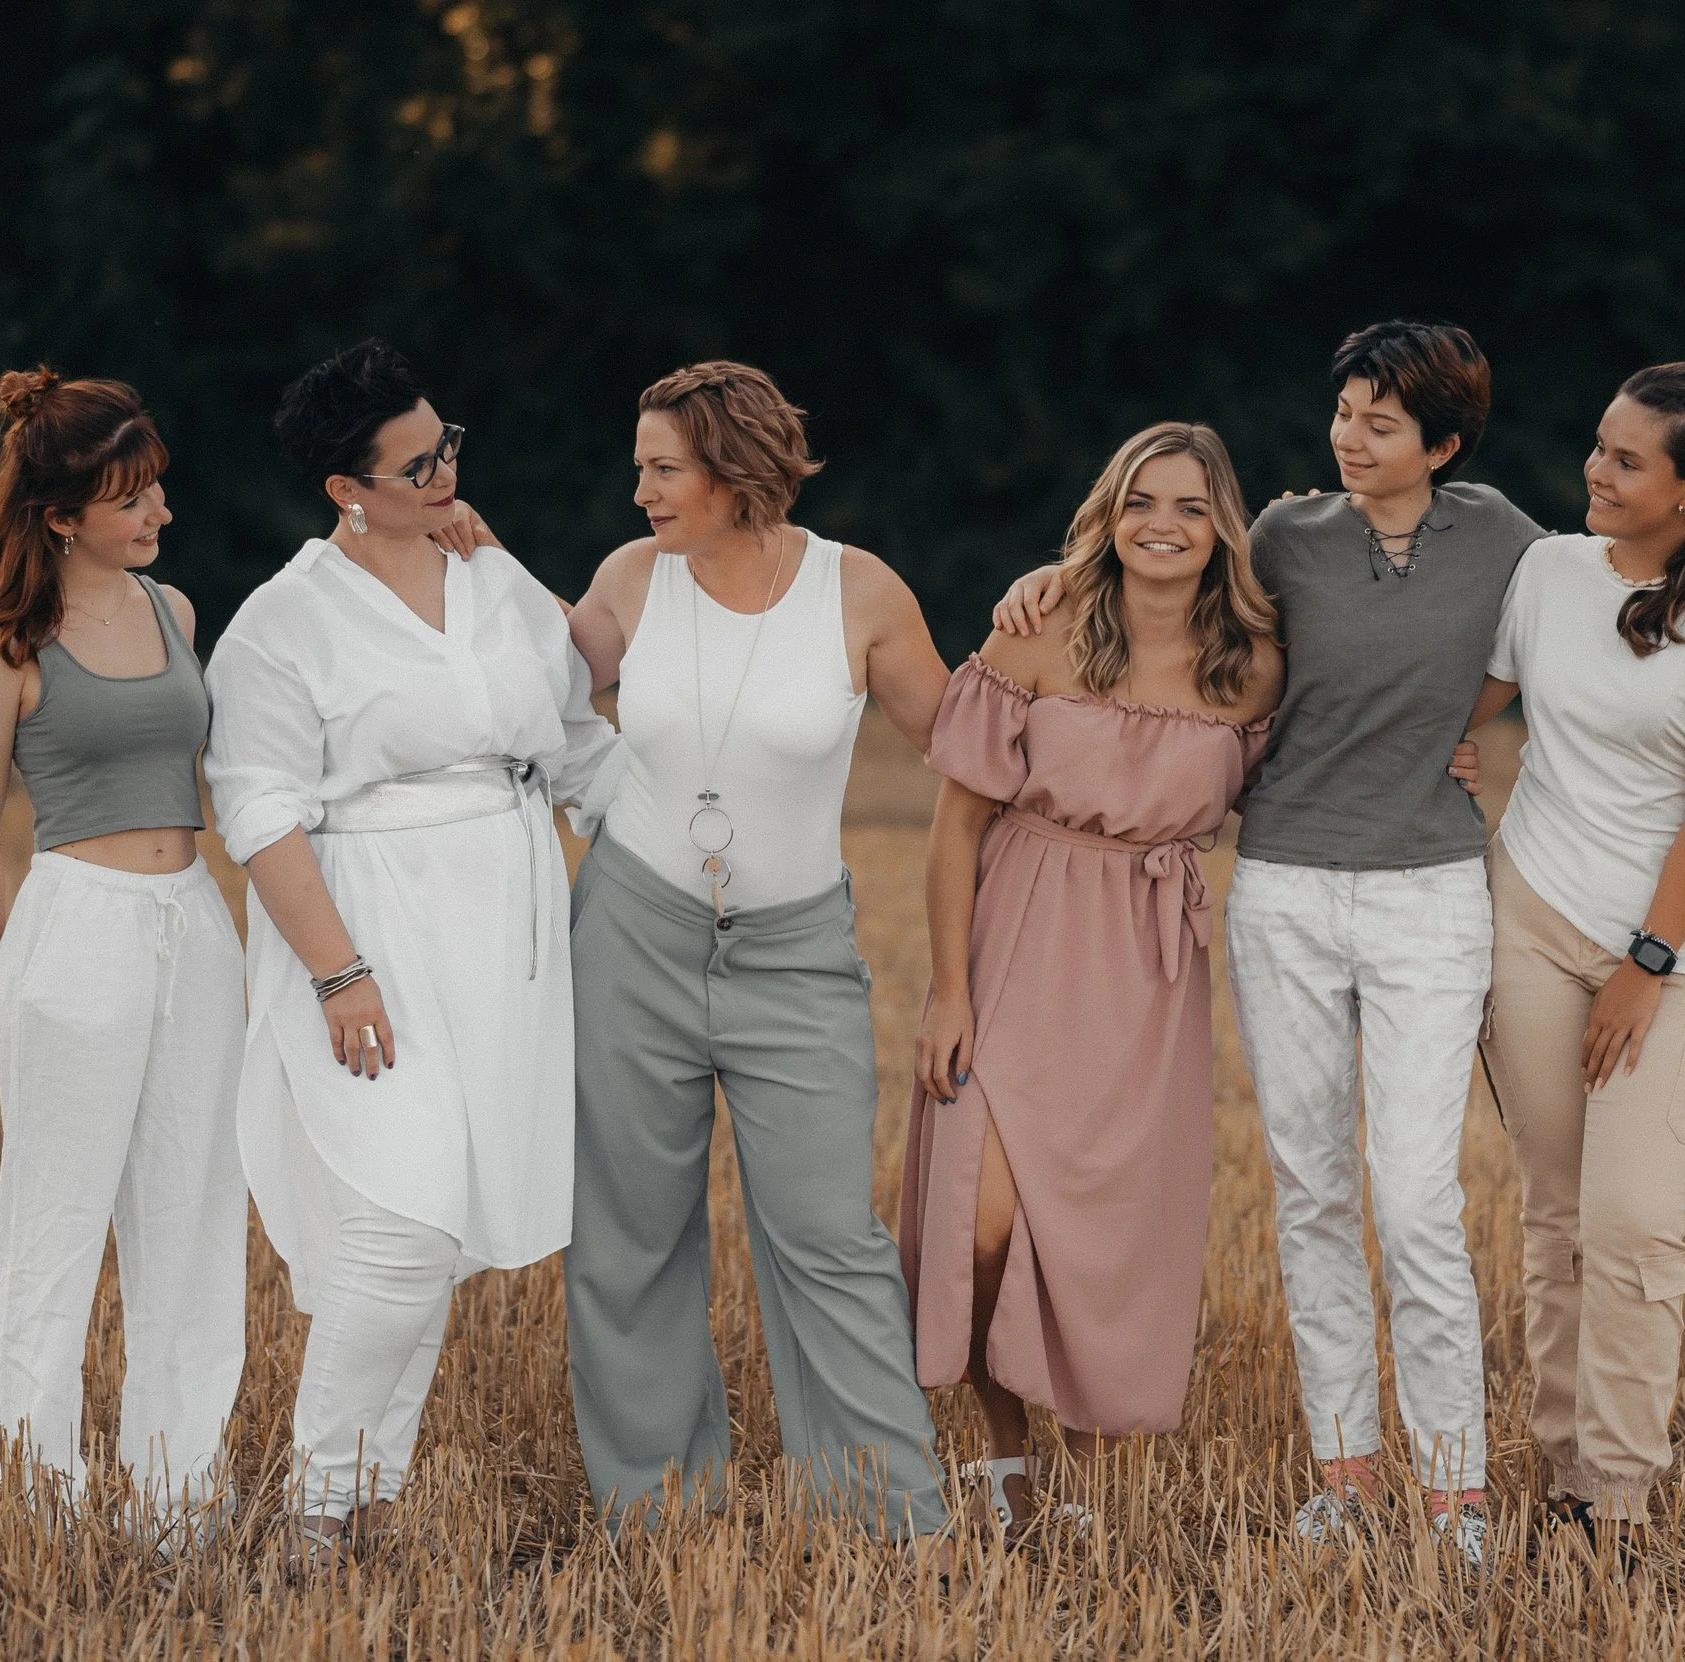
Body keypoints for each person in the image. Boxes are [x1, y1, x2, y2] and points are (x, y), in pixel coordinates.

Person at [991, 321, 1685, 1566]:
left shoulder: (1511, 544)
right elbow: (1161, 575)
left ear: (1445, 445)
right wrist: (1049, 576)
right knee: (1311, 1195)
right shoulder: (1285, 538)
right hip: (1285, 893)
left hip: (1432, 897)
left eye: (1380, 421)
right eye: (1343, 414)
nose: (1349, 438)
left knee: (1417, 1201)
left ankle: (1456, 1496)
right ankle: (1344, 1478)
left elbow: (1657, 578)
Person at [202, 340, 624, 1572]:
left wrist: (707, 850)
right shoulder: (281, 623)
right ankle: (314, 1510)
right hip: (368, 939)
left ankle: (371, 1500)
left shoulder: (492, 577)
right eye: (417, 464)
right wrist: (339, 975)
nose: (446, 473)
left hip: (503, 945)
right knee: (399, 1226)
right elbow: (259, 815)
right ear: (347, 488)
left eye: (448, 446)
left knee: (435, 1232)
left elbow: (577, 737)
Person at [562, 361, 955, 1540]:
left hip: (796, 958)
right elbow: (515, 692)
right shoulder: (631, 579)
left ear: (735, 472)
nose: (640, 491)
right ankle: (659, 1512)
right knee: (630, 1235)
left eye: (663, 469)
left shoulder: (857, 591)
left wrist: (1058, 611)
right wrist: (453, 563)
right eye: (640, 468)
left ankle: (887, 1518)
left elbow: (970, 747)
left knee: (830, 1235)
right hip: (631, 934)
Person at [905, 423, 1281, 1535]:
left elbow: (1336, 759)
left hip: (1148, 971)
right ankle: (1001, 1458)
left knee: (1107, 1232)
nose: (1163, 526)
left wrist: (1449, 749)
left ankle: (1090, 1480)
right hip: (1020, 936)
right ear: (1107, 517)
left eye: (1190, 507)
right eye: (1140, 503)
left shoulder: (1258, 666)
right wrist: (948, 991)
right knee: (979, 1224)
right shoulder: (1036, 631)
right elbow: (952, 828)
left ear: (1222, 529)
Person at [1466, 363, 1685, 1567]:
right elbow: (1464, 700)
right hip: (1533, 916)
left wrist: (1647, 962)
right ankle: (1567, 1489)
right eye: (1597, 446)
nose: (1594, 471)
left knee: (1634, 1223)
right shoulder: (1547, 572)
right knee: (1555, 1217)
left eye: (1626, 459)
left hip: (1680, 944)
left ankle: (1620, 1501)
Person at [0, 368, 246, 1551]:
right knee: (55, 1228)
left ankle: (180, 1501)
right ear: (63, 515)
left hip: (195, 928)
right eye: (131, 496)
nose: (160, 509)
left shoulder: (175, 613)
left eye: (157, 485)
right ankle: (35, 1504)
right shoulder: (9, 648)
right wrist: (5, 995)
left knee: (193, 1216)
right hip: (76, 932)